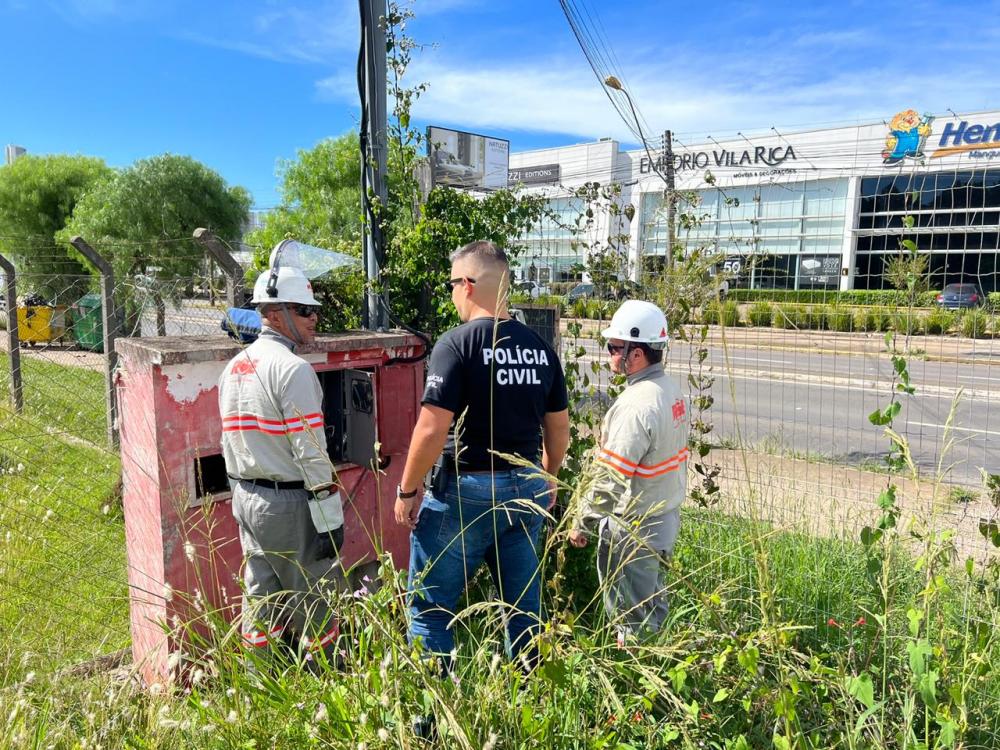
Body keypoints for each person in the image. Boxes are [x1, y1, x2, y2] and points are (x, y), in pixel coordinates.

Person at [394, 240, 570, 670]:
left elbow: (433, 428)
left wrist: (407, 490)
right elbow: (559, 429)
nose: (451, 293)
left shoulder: (455, 345)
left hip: (464, 493)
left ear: (468, 285)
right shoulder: (540, 349)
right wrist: (547, 477)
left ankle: (431, 722)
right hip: (525, 490)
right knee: (525, 613)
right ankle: (529, 711)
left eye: (452, 284)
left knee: (430, 611)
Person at [219, 241, 344, 666]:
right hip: (290, 503)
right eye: (304, 310)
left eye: (313, 310)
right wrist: (331, 519)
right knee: (316, 595)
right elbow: (312, 453)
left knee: (261, 592)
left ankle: (260, 680)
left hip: (246, 497)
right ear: (275, 314)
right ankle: (328, 682)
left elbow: (228, 442)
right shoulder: (293, 370)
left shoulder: (234, 366)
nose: (314, 318)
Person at [569, 300, 689, 642]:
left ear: (636, 353)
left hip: (633, 527)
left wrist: (584, 521)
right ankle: (659, 665)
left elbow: (611, 475)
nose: (609, 353)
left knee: (630, 617)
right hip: (664, 519)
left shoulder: (635, 406)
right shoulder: (672, 391)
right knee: (653, 604)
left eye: (613, 346)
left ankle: (636, 682)